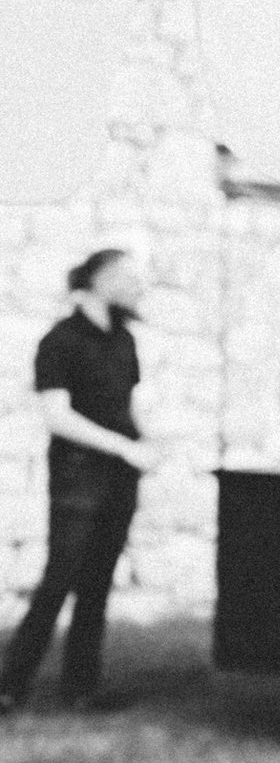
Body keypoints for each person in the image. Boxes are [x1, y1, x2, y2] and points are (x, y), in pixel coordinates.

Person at [0, 250, 158, 714]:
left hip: (120, 477)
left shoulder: (124, 340)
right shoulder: (60, 340)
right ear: (101, 280)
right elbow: (57, 416)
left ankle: (81, 688)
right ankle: (10, 686)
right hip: (78, 475)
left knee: (98, 581)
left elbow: (129, 403)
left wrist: (148, 440)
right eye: (130, 277)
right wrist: (123, 446)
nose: (139, 287)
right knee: (60, 577)